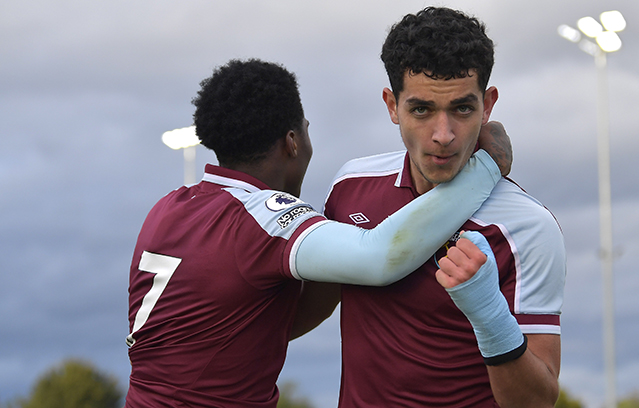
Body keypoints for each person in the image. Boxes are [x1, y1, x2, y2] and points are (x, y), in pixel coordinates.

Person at [124, 58, 511, 407]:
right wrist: (487, 168)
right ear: (292, 142)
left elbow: (267, 323)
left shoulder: (168, 209)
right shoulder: (260, 218)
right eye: (306, 131)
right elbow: (380, 257)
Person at [322, 7, 566, 407]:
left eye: (462, 109)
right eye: (421, 110)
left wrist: (490, 317)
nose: (443, 135)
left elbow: (537, 402)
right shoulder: (351, 187)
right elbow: (307, 308)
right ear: (391, 104)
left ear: (488, 105)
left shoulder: (528, 227)